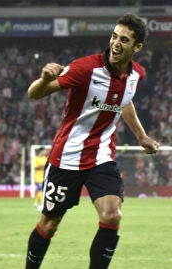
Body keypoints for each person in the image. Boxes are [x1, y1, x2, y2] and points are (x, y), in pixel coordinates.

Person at [25, 14, 160, 269]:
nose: (116, 44)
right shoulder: (85, 69)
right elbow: (34, 94)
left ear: (137, 47)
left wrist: (141, 136)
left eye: (124, 39)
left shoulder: (136, 75)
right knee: (49, 225)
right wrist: (43, 79)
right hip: (66, 158)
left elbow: (125, 100)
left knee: (112, 215)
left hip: (101, 158)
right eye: (114, 36)